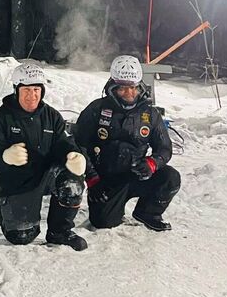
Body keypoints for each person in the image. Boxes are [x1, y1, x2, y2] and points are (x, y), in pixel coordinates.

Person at [0, 62, 90, 250]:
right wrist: (5, 156)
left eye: (36, 90)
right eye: (26, 90)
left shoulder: (52, 116)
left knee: (72, 182)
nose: (31, 96)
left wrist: (74, 154)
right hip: (18, 182)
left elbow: (63, 143)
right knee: (21, 237)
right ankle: (5, 209)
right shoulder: (1, 117)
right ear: (16, 90)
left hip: (48, 175)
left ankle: (60, 231)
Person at [74, 54, 180, 232]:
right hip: (105, 179)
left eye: (133, 88)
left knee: (170, 177)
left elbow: (164, 148)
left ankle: (149, 213)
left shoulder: (150, 114)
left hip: (137, 173)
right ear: (112, 87)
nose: (129, 93)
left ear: (139, 87)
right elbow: (79, 145)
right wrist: (92, 178)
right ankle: (111, 208)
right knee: (103, 222)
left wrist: (152, 163)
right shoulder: (96, 109)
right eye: (122, 88)